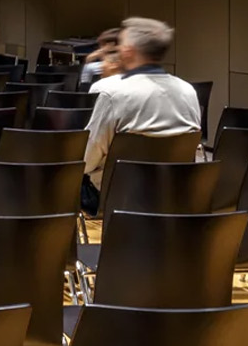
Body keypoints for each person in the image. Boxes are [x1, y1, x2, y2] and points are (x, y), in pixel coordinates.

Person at [81, 17, 203, 214]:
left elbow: (87, 161)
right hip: (173, 192)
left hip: (117, 196)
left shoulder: (112, 94)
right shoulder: (188, 90)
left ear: (128, 50)